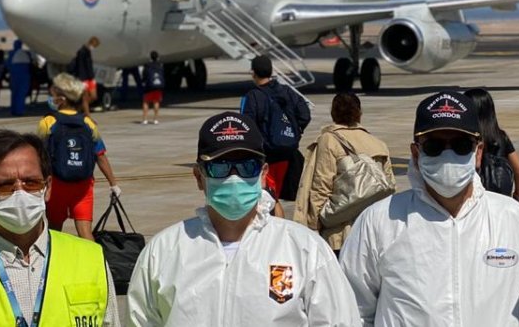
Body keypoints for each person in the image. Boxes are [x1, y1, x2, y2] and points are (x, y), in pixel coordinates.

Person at [339, 89, 519, 327]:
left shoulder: (516, 221)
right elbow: (352, 313)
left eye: (461, 145)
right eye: (434, 145)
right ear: (416, 153)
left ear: (478, 152)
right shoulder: (378, 221)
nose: (448, 154)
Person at [128, 111, 358, 325]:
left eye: (247, 166)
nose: (234, 177)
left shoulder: (305, 249)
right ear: (199, 177)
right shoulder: (164, 252)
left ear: (264, 174)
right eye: (220, 167)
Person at [0, 129, 119, 326]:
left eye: (31, 183)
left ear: (48, 187)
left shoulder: (91, 259)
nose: (20, 193)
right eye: (5, 186)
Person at [292, 92, 391, 254]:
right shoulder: (378, 144)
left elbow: (321, 185)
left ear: (333, 114)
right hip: (373, 232)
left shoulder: (329, 140)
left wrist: (312, 225)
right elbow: (389, 186)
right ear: (359, 114)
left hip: (341, 234)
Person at [37, 73, 120, 241]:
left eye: (53, 95)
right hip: (83, 186)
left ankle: (55, 263)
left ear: (62, 99)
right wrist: (113, 184)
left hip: (57, 185)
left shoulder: (48, 122)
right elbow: (100, 155)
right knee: (85, 234)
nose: (51, 98)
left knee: (54, 231)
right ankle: (94, 265)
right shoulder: (88, 124)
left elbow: (38, 156)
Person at [239, 55, 310, 215]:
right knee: (274, 196)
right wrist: (294, 133)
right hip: (287, 154)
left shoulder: (253, 96)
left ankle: (277, 231)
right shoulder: (287, 91)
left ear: (253, 73)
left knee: (269, 198)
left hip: (266, 156)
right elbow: (305, 114)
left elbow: (246, 126)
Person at [465, 88, 519, 200]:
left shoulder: (465, 137)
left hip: (473, 196)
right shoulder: (500, 137)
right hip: (500, 197)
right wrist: (517, 194)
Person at [68, 36, 100, 114]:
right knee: (85, 98)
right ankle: (87, 115)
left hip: (90, 78)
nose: (94, 48)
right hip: (83, 78)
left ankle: (77, 109)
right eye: (94, 46)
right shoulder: (82, 52)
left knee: (94, 96)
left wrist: (92, 77)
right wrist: (80, 79)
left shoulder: (88, 51)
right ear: (92, 43)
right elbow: (80, 66)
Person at [7, 40, 32, 117]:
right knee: (21, 94)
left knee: (14, 93)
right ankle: (19, 110)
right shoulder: (26, 53)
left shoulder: (12, 53)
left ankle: (13, 110)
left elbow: (7, 65)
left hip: (14, 76)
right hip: (24, 76)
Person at [140, 51, 165, 125]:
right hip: (157, 86)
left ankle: (145, 119)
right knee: (156, 102)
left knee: (146, 102)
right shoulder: (160, 66)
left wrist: (143, 82)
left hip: (149, 86)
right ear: (157, 57)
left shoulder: (147, 66)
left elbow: (144, 76)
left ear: (150, 57)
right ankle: (155, 119)